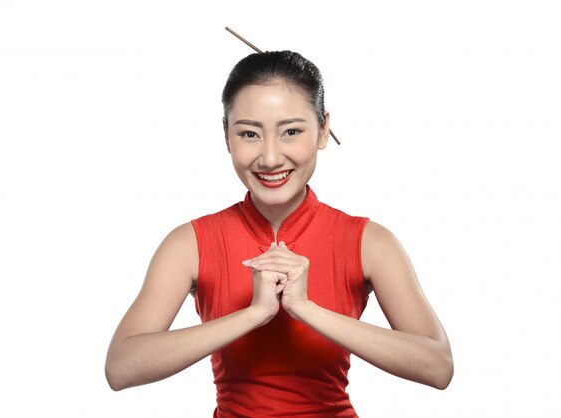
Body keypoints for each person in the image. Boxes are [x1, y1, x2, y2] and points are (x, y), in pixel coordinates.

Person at [105, 50, 453, 417]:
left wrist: (304, 308)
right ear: (226, 137)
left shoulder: (369, 241)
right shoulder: (190, 243)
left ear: (322, 130)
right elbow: (121, 367)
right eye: (249, 133)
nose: (270, 158)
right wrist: (255, 313)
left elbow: (438, 366)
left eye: (291, 131)